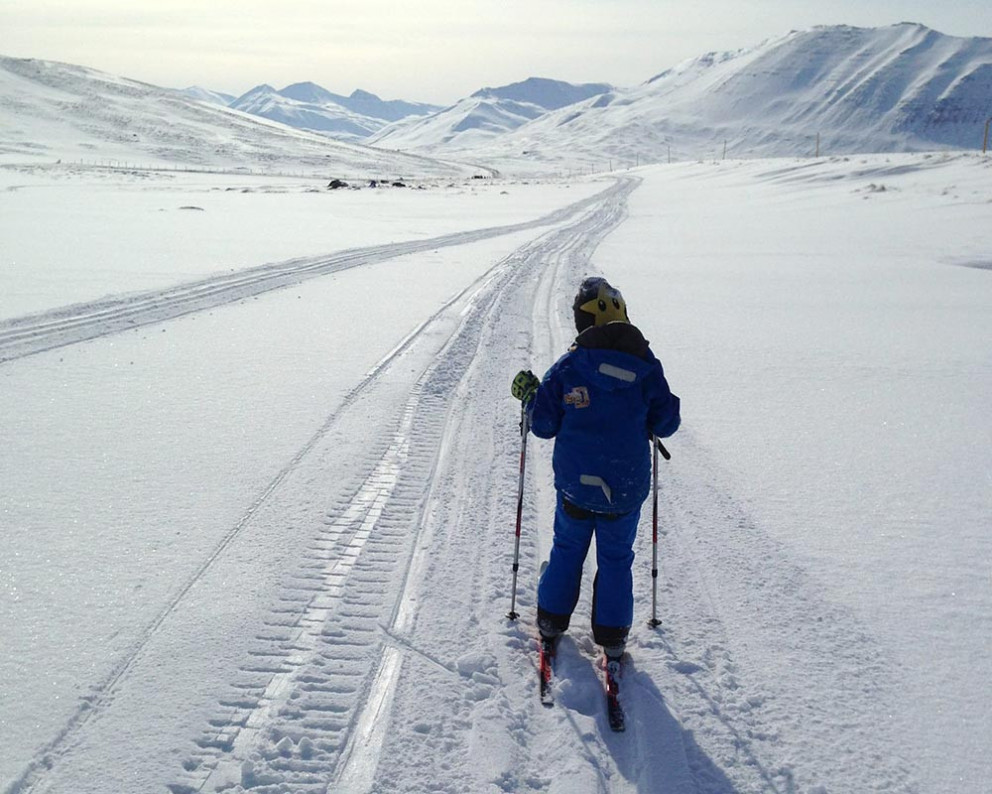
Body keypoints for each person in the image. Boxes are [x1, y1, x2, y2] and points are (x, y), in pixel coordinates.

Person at [511, 276, 680, 665]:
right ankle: (613, 637)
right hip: (625, 488)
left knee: (568, 548)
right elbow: (667, 423)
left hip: (576, 486)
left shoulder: (570, 366)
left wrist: (531, 396)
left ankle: (552, 622)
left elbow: (543, 425)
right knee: (617, 558)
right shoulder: (645, 366)